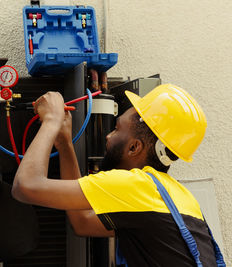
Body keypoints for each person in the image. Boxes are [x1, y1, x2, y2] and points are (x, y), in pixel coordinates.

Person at [12, 84, 224, 266]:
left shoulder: (136, 185)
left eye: (116, 128)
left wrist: (51, 119)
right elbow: (82, 221)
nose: (108, 136)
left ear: (134, 147)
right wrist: (65, 144)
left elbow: (26, 186)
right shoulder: (179, 196)